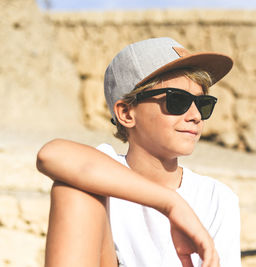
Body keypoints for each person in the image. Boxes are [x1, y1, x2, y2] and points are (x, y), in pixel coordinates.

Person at [36, 37, 241, 267]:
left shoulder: (216, 197)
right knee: (76, 186)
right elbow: (50, 154)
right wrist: (171, 204)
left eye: (203, 104)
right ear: (126, 113)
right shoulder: (103, 165)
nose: (195, 116)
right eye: (177, 101)